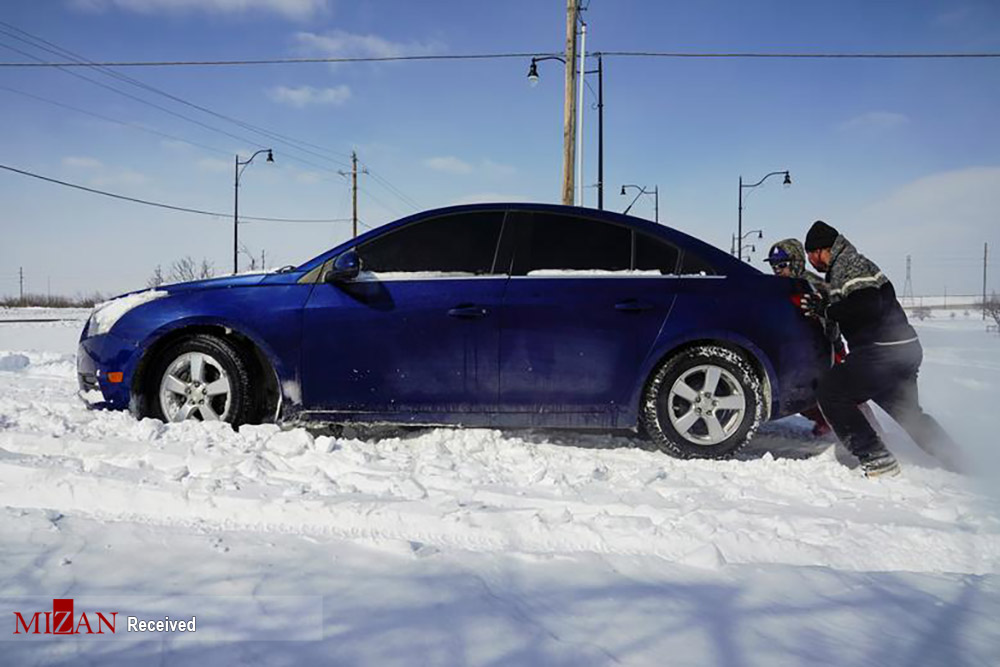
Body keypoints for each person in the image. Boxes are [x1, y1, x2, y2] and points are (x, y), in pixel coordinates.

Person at [800, 220, 962, 477]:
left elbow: (867, 304)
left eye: (810, 254)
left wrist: (828, 310)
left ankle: (875, 457)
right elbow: (856, 304)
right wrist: (826, 308)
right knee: (909, 415)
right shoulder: (848, 266)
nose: (810, 261)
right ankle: (958, 460)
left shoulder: (850, 265)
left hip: (883, 352)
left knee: (832, 391)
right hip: (902, 350)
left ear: (822, 250)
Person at [764, 238, 878, 438]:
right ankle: (826, 427)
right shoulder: (781, 288)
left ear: (797, 261)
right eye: (774, 266)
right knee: (804, 394)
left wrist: (829, 342)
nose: (777, 270)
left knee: (844, 396)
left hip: (826, 350)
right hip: (800, 352)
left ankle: (873, 434)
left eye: (782, 264)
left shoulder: (813, 285)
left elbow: (832, 316)